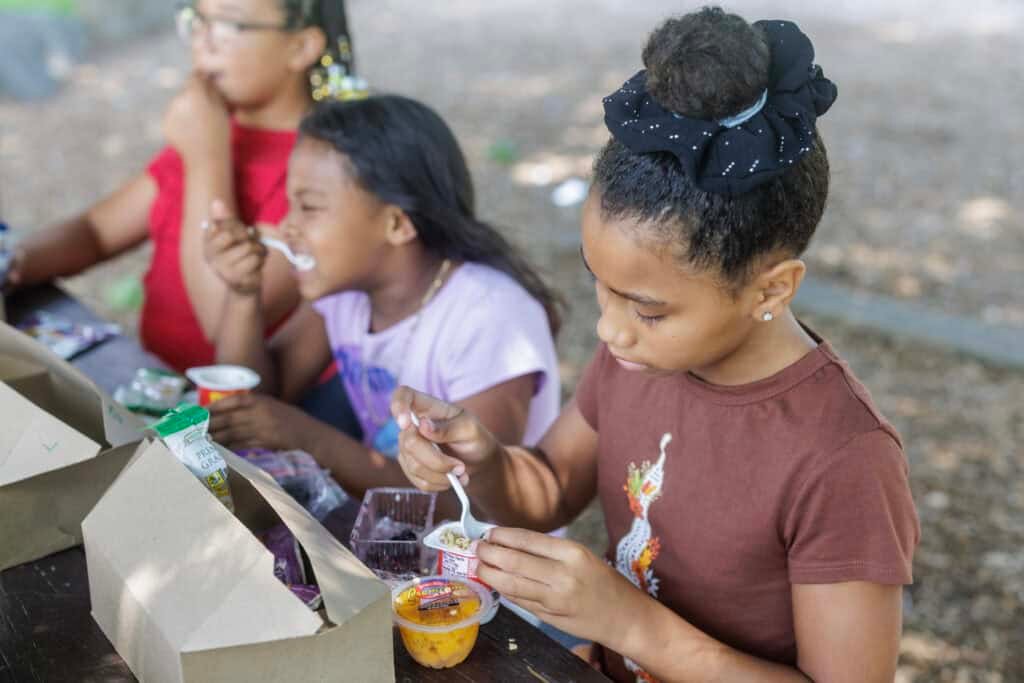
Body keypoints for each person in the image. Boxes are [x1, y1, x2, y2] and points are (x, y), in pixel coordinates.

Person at [389, 8, 919, 682]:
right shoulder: (637, 356)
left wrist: (629, 622)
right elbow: (547, 487)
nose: (609, 330)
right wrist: (482, 460)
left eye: (647, 309)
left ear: (770, 290)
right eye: (600, 289)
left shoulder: (844, 458)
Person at [202, 95, 562, 509]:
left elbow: (467, 500)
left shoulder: (491, 318)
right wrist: (244, 293)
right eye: (290, 205)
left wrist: (307, 437)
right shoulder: (347, 294)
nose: (287, 227)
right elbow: (258, 397)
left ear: (395, 224)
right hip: (392, 524)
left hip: (478, 556)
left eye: (310, 208)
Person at [3, 0, 362, 373]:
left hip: (239, 413)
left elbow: (220, 317)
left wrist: (207, 156)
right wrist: (14, 262)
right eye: (198, 20)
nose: (202, 42)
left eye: (229, 25)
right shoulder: (218, 127)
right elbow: (96, 232)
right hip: (161, 383)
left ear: (301, 47)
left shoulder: (318, 169)